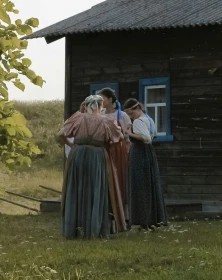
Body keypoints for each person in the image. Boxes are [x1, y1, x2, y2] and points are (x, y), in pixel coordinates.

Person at [57, 95, 127, 239]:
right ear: (100, 106)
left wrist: (72, 145)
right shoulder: (107, 121)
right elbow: (118, 138)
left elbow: (61, 134)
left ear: (86, 105)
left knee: (77, 188)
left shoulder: (78, 118)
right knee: (96, 188)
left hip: (78, 155)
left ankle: (75, 230)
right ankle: (95, 230)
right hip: (97, 155)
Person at [122, 98, 168, 230]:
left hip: (140, 153)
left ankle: (143, 219)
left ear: (137, 109)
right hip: (149, 154)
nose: (130, 117)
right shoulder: (149, 119)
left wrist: (129, 133)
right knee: (149, 184)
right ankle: (152, 218)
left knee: (140, 185)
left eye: (130, 113)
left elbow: (146, 138)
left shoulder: (138, 121)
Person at [96, 87, 131, 226]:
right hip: (104, 150)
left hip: (118, 151)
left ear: (110, 99)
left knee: (119, 180)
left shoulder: (122, 116)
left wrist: (127, 152)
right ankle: (107, 213)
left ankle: (124, 216)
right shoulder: (100, 115)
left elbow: (127, 136)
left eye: (103, 98)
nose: (101, 101)